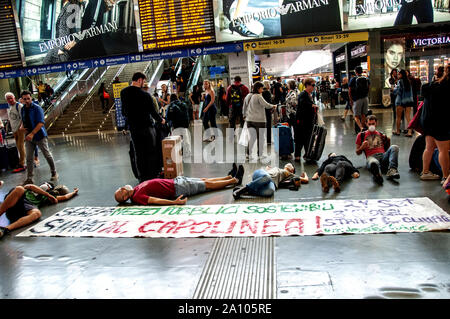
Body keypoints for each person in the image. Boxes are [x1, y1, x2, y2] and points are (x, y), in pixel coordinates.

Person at [114, 164, 245, 205]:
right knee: (206, 185)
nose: (123, 188)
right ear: (125, 197)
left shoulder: (136, 189)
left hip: (176, 181)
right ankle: (234, 181)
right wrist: (174, 202)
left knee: (204, 179)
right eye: (122, 191)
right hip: (177, 188)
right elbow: (155, 200)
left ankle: (228, 176)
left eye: (121, 188)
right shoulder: (137, 197)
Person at [120, 72, 166, 182]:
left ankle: (142, 177)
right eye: (144, 81)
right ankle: (152, 176)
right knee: (150, 152)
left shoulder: (124, 92)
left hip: (134, 129)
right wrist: (162, 120)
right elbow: (153, 112)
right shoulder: (145, 95)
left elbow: (123, 112)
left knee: (138, 153)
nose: (143, 83)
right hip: (147, 128)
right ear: (140, 80)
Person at [0, 183, 78, 239]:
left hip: (22, 208)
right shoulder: (30, 188)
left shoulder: (46, 198)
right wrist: (48, 195)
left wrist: (74, 192)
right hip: (15, 199)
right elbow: (31, 186)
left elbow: (65, 197)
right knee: (19, 189)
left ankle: (5, 229)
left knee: (37, 213)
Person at [20, 91, 58, 185]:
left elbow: (41, 123)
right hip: (29, 137)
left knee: (47, 154)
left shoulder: (37, 108)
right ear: (22, 100)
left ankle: (54, 172)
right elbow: (23, 119)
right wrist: (21, 126)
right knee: (29, 157)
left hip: (39, 136)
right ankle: (29, 178)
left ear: (31, 98)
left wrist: (32, 133)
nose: (27, 100)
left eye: (28, 98)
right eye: (25, 99)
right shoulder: (23, 109)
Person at [420, 65, 450, 185]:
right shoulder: (447, 87)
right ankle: (445, 177)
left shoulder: (433, 85)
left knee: (429, 147)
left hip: (427, 120)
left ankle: (425, 172)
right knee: (443, 150)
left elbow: (423, 90)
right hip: (441, 122)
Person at [356, 115, 400, 185]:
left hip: (383, 156)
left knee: (395, 147)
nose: (371, 126)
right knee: (373, 162)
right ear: (366, 124)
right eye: (369, 124)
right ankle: (377, 174)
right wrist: (362, 147)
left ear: (376, 123)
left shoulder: (381, 134)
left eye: (373, 124)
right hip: (371, 157)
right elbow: (357, 152)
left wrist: (388, 142)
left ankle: (392, 170)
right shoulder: (361, 135)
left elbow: (387, 148)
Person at [232, 163, 309, 199]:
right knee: (267, 177)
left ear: (292, 170)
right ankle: (241, 190)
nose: (289, 164)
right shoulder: (276, 168)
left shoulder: (291, 175)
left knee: (271, 191)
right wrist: (268, 168)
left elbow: (305, 180)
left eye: (291, 165)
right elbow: (266, 170)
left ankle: (245, 191)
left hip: (271, 182)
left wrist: (305, 174)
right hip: (261, 175)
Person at [243, 82, 277, 160]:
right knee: (260, 138)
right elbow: (266, 105)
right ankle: (260, 155)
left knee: (252, 138)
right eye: (262, 88)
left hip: (249, 120)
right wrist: (274, 106)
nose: (262, 89)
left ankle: (248, 154)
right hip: (259, 120)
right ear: (258, 88)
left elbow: (244, 107)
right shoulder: (258, 96)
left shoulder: (248, 96)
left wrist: (244, 115)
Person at [294, 78, 318, 162]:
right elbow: (303, 104)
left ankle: (307, 155)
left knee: (308, 138)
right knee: (300, 138)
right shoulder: (303, 94)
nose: (314, 87)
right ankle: (298, 155)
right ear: (307, 85)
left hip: (308, 121)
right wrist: (312, 106)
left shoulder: (309, 95)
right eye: (312, 85)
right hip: (302, 121)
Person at [4, 93, 26, 173]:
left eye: (11, 98)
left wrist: (21, 127)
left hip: (19, 129)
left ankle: (22, 163)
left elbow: (23, 117)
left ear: (14, 97)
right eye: (8, 99)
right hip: (14, 130)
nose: (10, 100)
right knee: (18, 146)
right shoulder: (10, 107)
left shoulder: (19, 106)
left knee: (21, 146)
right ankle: (21, 162)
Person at [393, 69, 414, 137]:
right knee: (408, 116)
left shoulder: (400, 82)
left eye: (399, 74)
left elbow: (398, 91)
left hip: (400, 101)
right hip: (408, 101)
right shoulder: (408, 81)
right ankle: (410, 131)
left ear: (402, 75)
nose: (398, 75)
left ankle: (398, 131)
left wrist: (394, 90)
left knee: (398, 117)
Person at [349, 66, 370, 133]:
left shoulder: (353, 79)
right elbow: (368, 87)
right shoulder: (366, 78)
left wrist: (351, 99)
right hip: (365, 98)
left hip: (357, 99)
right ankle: (363, 127)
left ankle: (361, 128)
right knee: (363, 114)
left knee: (356, 116)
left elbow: (349, 90)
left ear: (356, 72)